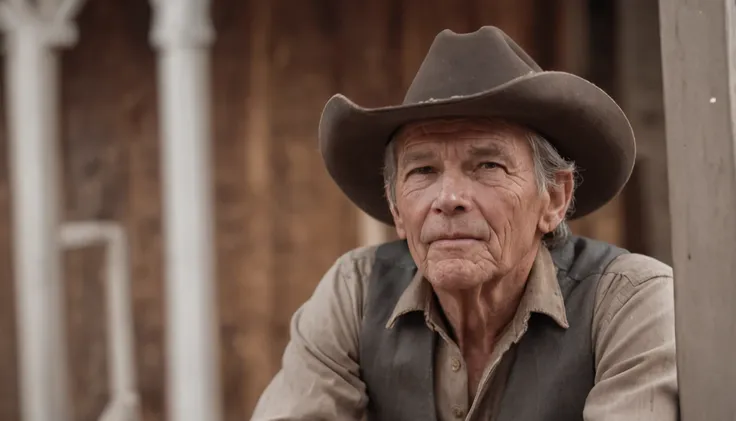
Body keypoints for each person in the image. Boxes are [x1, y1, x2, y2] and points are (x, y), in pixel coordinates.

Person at [252, 26, 678, 421]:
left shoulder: (630, 303)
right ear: (396, 209)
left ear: (554, 197)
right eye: (422, 171)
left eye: (487, 165)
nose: (449, 199)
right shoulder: (356, 293)